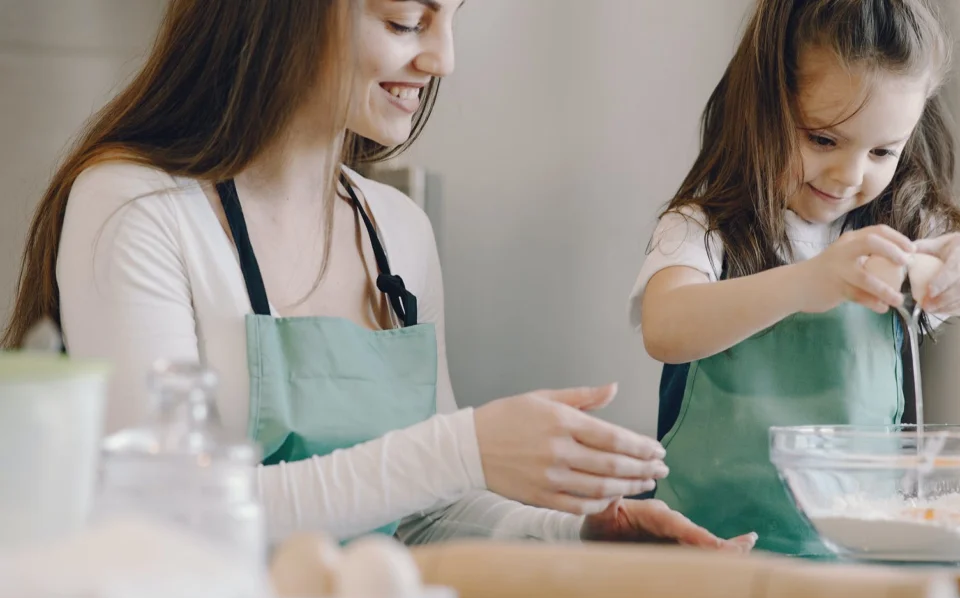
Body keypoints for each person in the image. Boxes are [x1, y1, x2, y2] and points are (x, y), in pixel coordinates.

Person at [2, 0, 755, 552]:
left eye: (450, 17)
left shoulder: (398, 233)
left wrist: (582, 533)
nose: (442, 60)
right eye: (405, 22)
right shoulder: (137, 209)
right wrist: (464, 446)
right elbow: (168, 517)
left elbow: (425, 514)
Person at [628, 0, 960, 556]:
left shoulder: (902, 232)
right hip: (706, 559)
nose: (849, 175)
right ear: (761, 110)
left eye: (882, 151)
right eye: (823, 139)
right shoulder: (704, 227)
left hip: (854, 562)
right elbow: (667, 327)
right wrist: (806, 282)